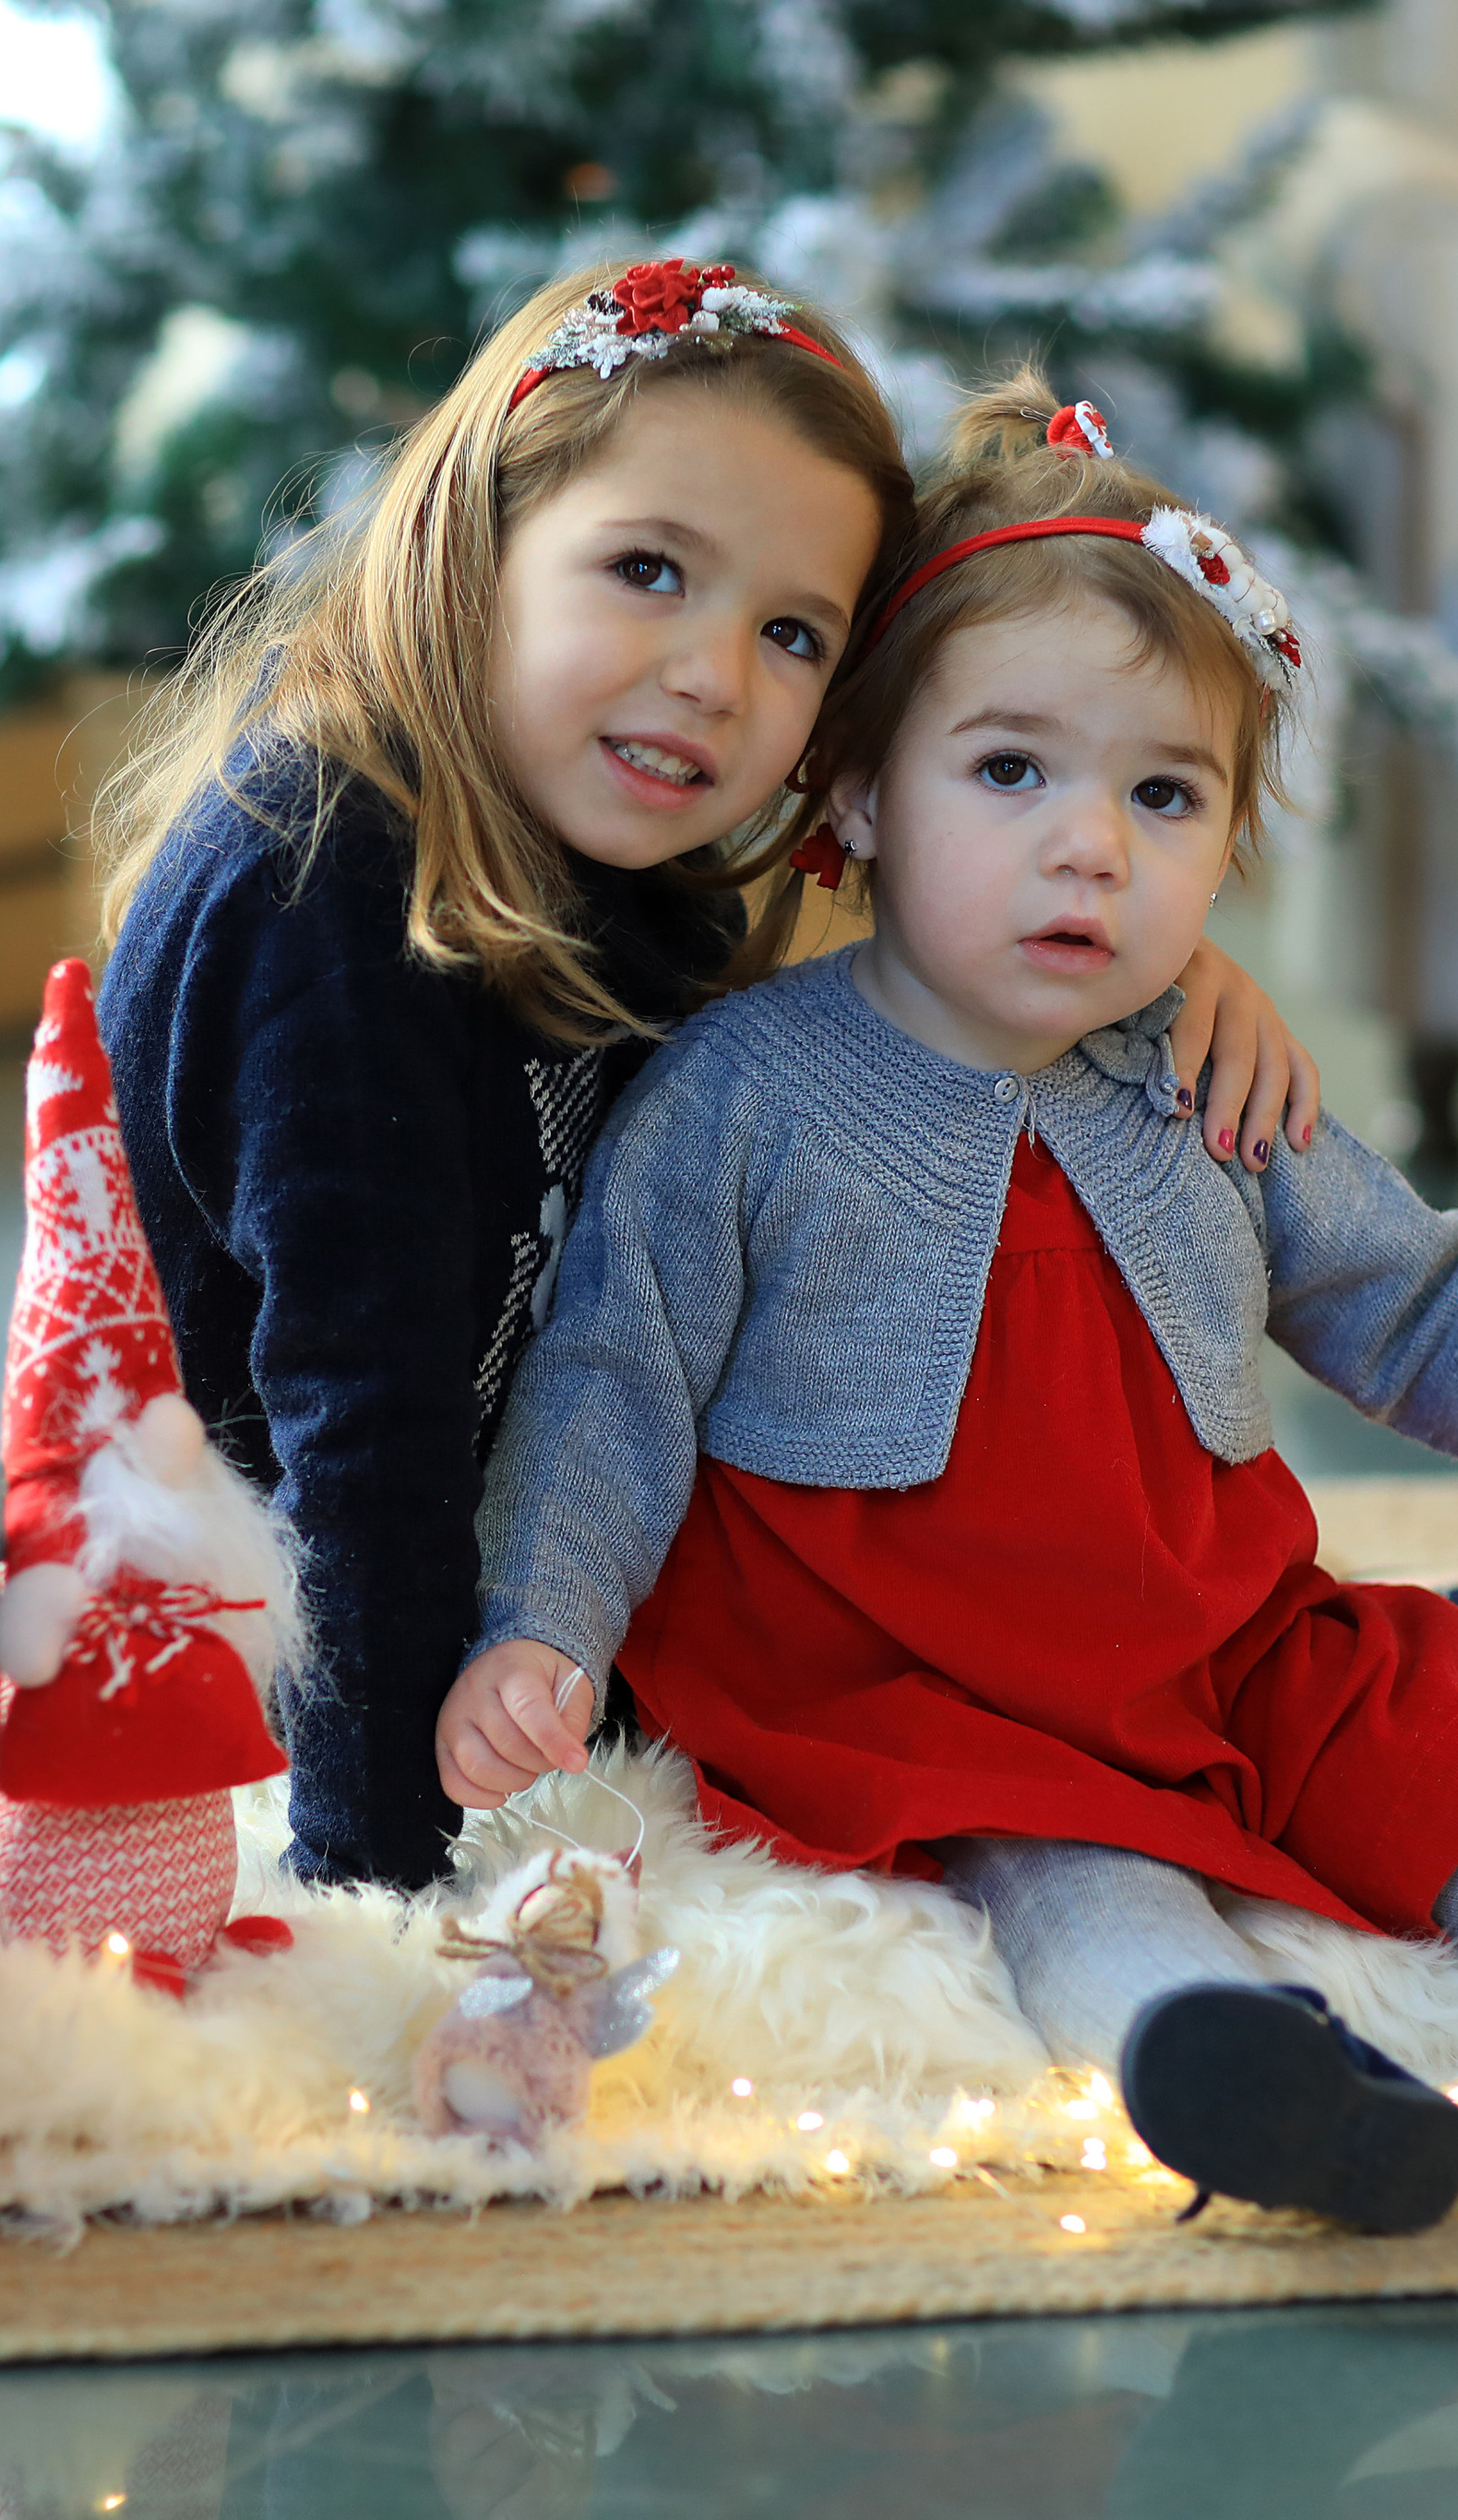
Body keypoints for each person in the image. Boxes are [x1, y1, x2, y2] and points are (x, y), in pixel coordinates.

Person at [96, 262, 1314, 1897]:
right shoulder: (319, 882)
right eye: (647, 570)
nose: (711, 677)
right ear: (478, 539)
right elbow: (357, 1429)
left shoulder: (598, 853)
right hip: (287, 1664)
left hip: (533, 1609)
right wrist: (377, 1889)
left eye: (790, 631)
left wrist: (1140, 974)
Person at [453, 369, 1458, 2233]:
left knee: (1417, 1707)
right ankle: (1234, 2060)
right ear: (857, 798)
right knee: (1069, 1864)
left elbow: (1406, 1310)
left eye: (1165, 795)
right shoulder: (747, 1092)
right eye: (1012, 773)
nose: (1093, 844)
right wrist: (544, 1625)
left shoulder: (1203, 1075)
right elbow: (616, 1383)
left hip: (1208, 1630)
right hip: (900, 1672)